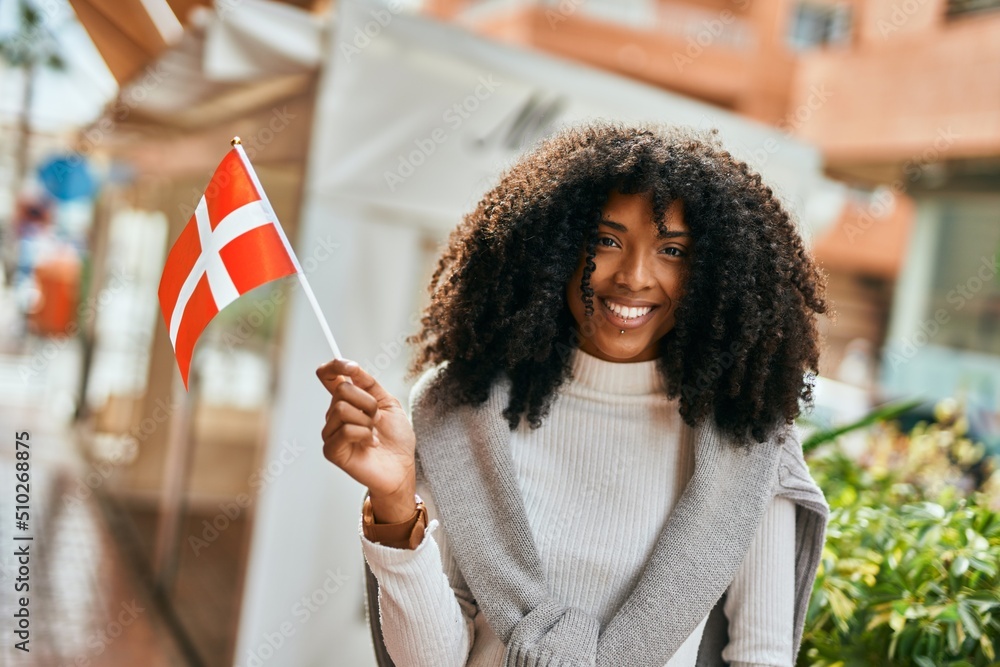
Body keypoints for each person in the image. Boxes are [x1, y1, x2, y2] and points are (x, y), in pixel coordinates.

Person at [316, 123, 831, 667]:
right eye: (606, 241)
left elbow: (760, 656)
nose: (634, 277)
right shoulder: (462, 410)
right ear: (555, 247)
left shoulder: (746, 441)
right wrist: (396, 503)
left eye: (673, 251)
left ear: (714, 273)